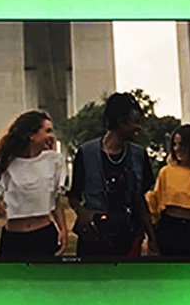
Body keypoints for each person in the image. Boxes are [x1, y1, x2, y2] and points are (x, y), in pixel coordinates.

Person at [67, 92, 158, 257]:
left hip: (128, 237)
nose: (138, 128)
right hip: (94, 238)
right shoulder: (86, 153)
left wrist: (151, 237)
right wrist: (83, 213)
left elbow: (140, 199)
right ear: (121, 122)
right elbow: (73, 195)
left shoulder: (139, 155)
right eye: (135, 122)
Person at [0, 111, 67, 257]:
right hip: (14, 239)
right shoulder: (4, 164)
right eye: (47, 131)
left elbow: (56, 201)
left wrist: (63, 230)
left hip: (44, 236)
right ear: (32, 135)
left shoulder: (54, 161)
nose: (52, 136)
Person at [145, 124, 190, 256]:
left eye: (182, 144)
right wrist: (151, 236)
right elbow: (154, 201)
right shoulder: (166, 172)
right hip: (169, 227)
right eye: (174, 145)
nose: (177, 149)